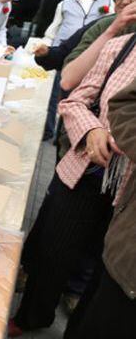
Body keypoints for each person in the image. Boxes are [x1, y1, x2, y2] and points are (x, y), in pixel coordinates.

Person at [9, 30, 136, 337]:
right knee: (55, 248)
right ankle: (32, 316)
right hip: (88, 169)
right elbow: (75, 98)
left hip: (130, 192)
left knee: (108, 274)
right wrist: (92, 130)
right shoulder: (121, 45)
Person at [62, 78, 136, 338]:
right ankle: (35, 311)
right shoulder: (117, 42)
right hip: (94, 174)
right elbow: (72, 85)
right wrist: (93, 129)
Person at [37, 0, 136, 142]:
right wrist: (112, 30)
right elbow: (68, 79)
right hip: (85, 131)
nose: (125, 2)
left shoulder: (104, 4)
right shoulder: (104, 24)